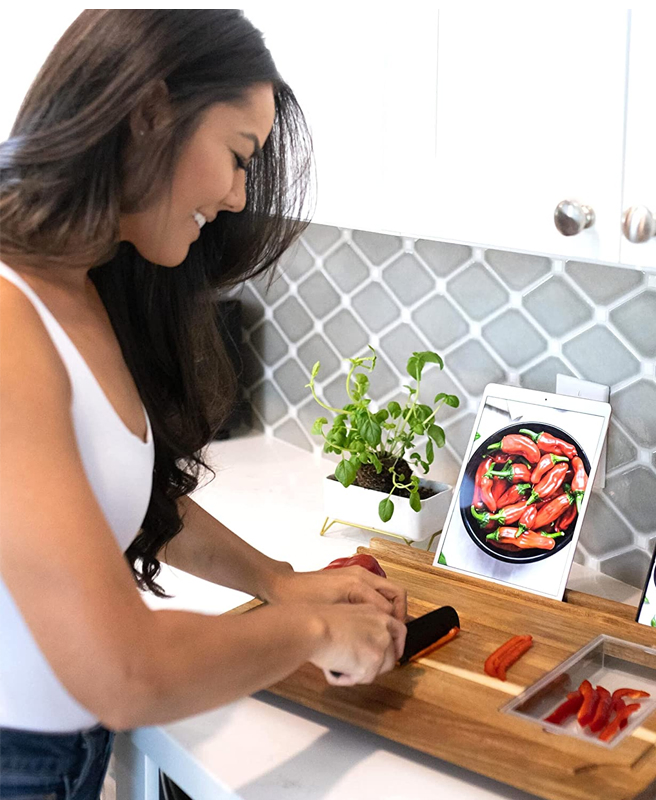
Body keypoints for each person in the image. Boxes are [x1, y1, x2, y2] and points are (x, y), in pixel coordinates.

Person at [0, 10, 407, 798]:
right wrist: (312, 630)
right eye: (237, 156)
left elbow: (115, 496)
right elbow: (124, 674)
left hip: (57, 755)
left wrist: (278, 581)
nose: (235, 195)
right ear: (150, 112)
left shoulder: (78, 283)